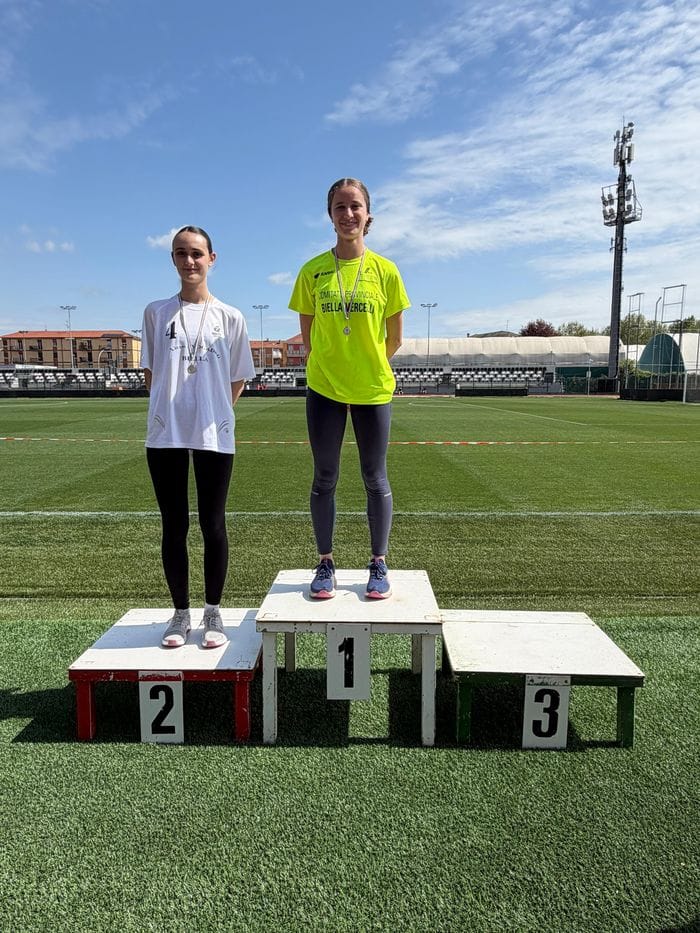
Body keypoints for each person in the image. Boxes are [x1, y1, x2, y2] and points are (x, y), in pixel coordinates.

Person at [289, 178, 410, 599]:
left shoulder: (386, 271)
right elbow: (308, 336)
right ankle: (325, 562)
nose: (348, 214)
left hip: (372, 389)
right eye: (340, 207)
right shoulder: (312, 271)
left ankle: (378, 562)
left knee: (375, 477)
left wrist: (366, 365)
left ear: (368, 215)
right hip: (324, 388)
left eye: (355, 206)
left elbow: (394, 339)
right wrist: (332, 365)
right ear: (330, 215)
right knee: (325, 477)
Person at [141, 226, 255, 647]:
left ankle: (212, 613)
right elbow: (152, 373)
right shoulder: (156, 312)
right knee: (173, 524)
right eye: (180, 254)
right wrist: (173, 407)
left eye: (196, 254)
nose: (189, 261)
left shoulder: (231, 316)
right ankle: (179, 615)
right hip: (165, 433)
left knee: (213, 523)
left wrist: (214, 412)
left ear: (212, 258)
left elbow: (237, 378)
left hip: (214, 433)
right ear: (173, 259)